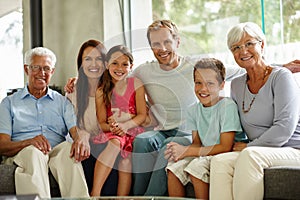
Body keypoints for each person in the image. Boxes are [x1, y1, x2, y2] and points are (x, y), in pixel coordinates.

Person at [209, 22, 300, 200]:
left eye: (249, 44)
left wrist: (249, 146)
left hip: (293, 148)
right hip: (259, 151)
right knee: (219, 162)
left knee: (250, 156)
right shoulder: (236, 84)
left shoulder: (282, 76)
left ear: (262, 45)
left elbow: (284, 129)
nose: (243, 51)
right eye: (236, 47)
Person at [0, 47, 89, 198]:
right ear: (27, 69)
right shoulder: (9, 103)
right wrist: (29, 142)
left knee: (68, 149)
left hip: (55, 152)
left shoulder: (62, 102)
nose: (42, 73)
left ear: (52, 72)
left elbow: (75, 132)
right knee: (34, 153)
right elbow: (2, 145)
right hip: (23, 153)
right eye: (36, 67)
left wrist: (82, 138)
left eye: (46, 68)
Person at [165, 58, 245, 200]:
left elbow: (225, 146)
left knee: (196, 168)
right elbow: (197, 143)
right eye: (198, 83)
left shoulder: (227, 106)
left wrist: (186, 151)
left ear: (221, 85)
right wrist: (179, 152)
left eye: (210, 84)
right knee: (173, 168)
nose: (203, 89)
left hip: (223, 153)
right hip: (206, 152)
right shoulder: (193, 110)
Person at [91, 45, 148, 196]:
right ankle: (94, 194)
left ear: (131, 67)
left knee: (125, 161)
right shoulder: (102, 90)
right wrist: (116, 129)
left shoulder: (136, 84)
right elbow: (102, 124)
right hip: (113, 133)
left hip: (132, 130)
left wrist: (125, 125)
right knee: (116, 142)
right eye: (115, 63)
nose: (119, 68)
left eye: (124, 64)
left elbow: (142, 115)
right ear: (106, 65)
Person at [66, 39, 119, 195]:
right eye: (87, 59)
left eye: (98, 59)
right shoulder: (73, 90)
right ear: (81, 64)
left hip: (108, 145)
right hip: (85, 146)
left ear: (105, 62)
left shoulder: (115, 87)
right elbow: (69, 125)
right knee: (82, 158)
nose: (93, 64)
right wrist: (83, 134)